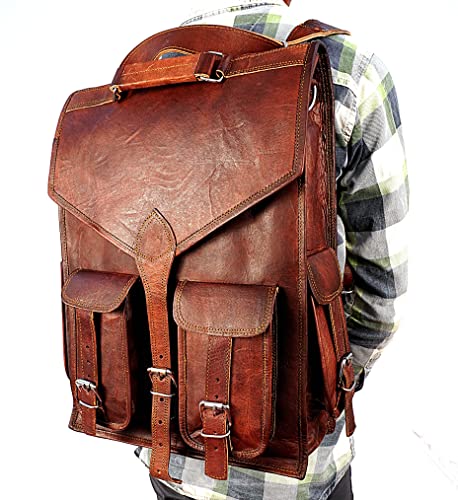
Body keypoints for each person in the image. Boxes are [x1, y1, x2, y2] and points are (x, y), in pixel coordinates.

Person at [135, 1, 409, 498]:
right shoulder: (348, 69)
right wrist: (326, 387)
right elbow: (381, 301)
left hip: (163, 449)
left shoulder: (147, 70)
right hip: (297, 470)